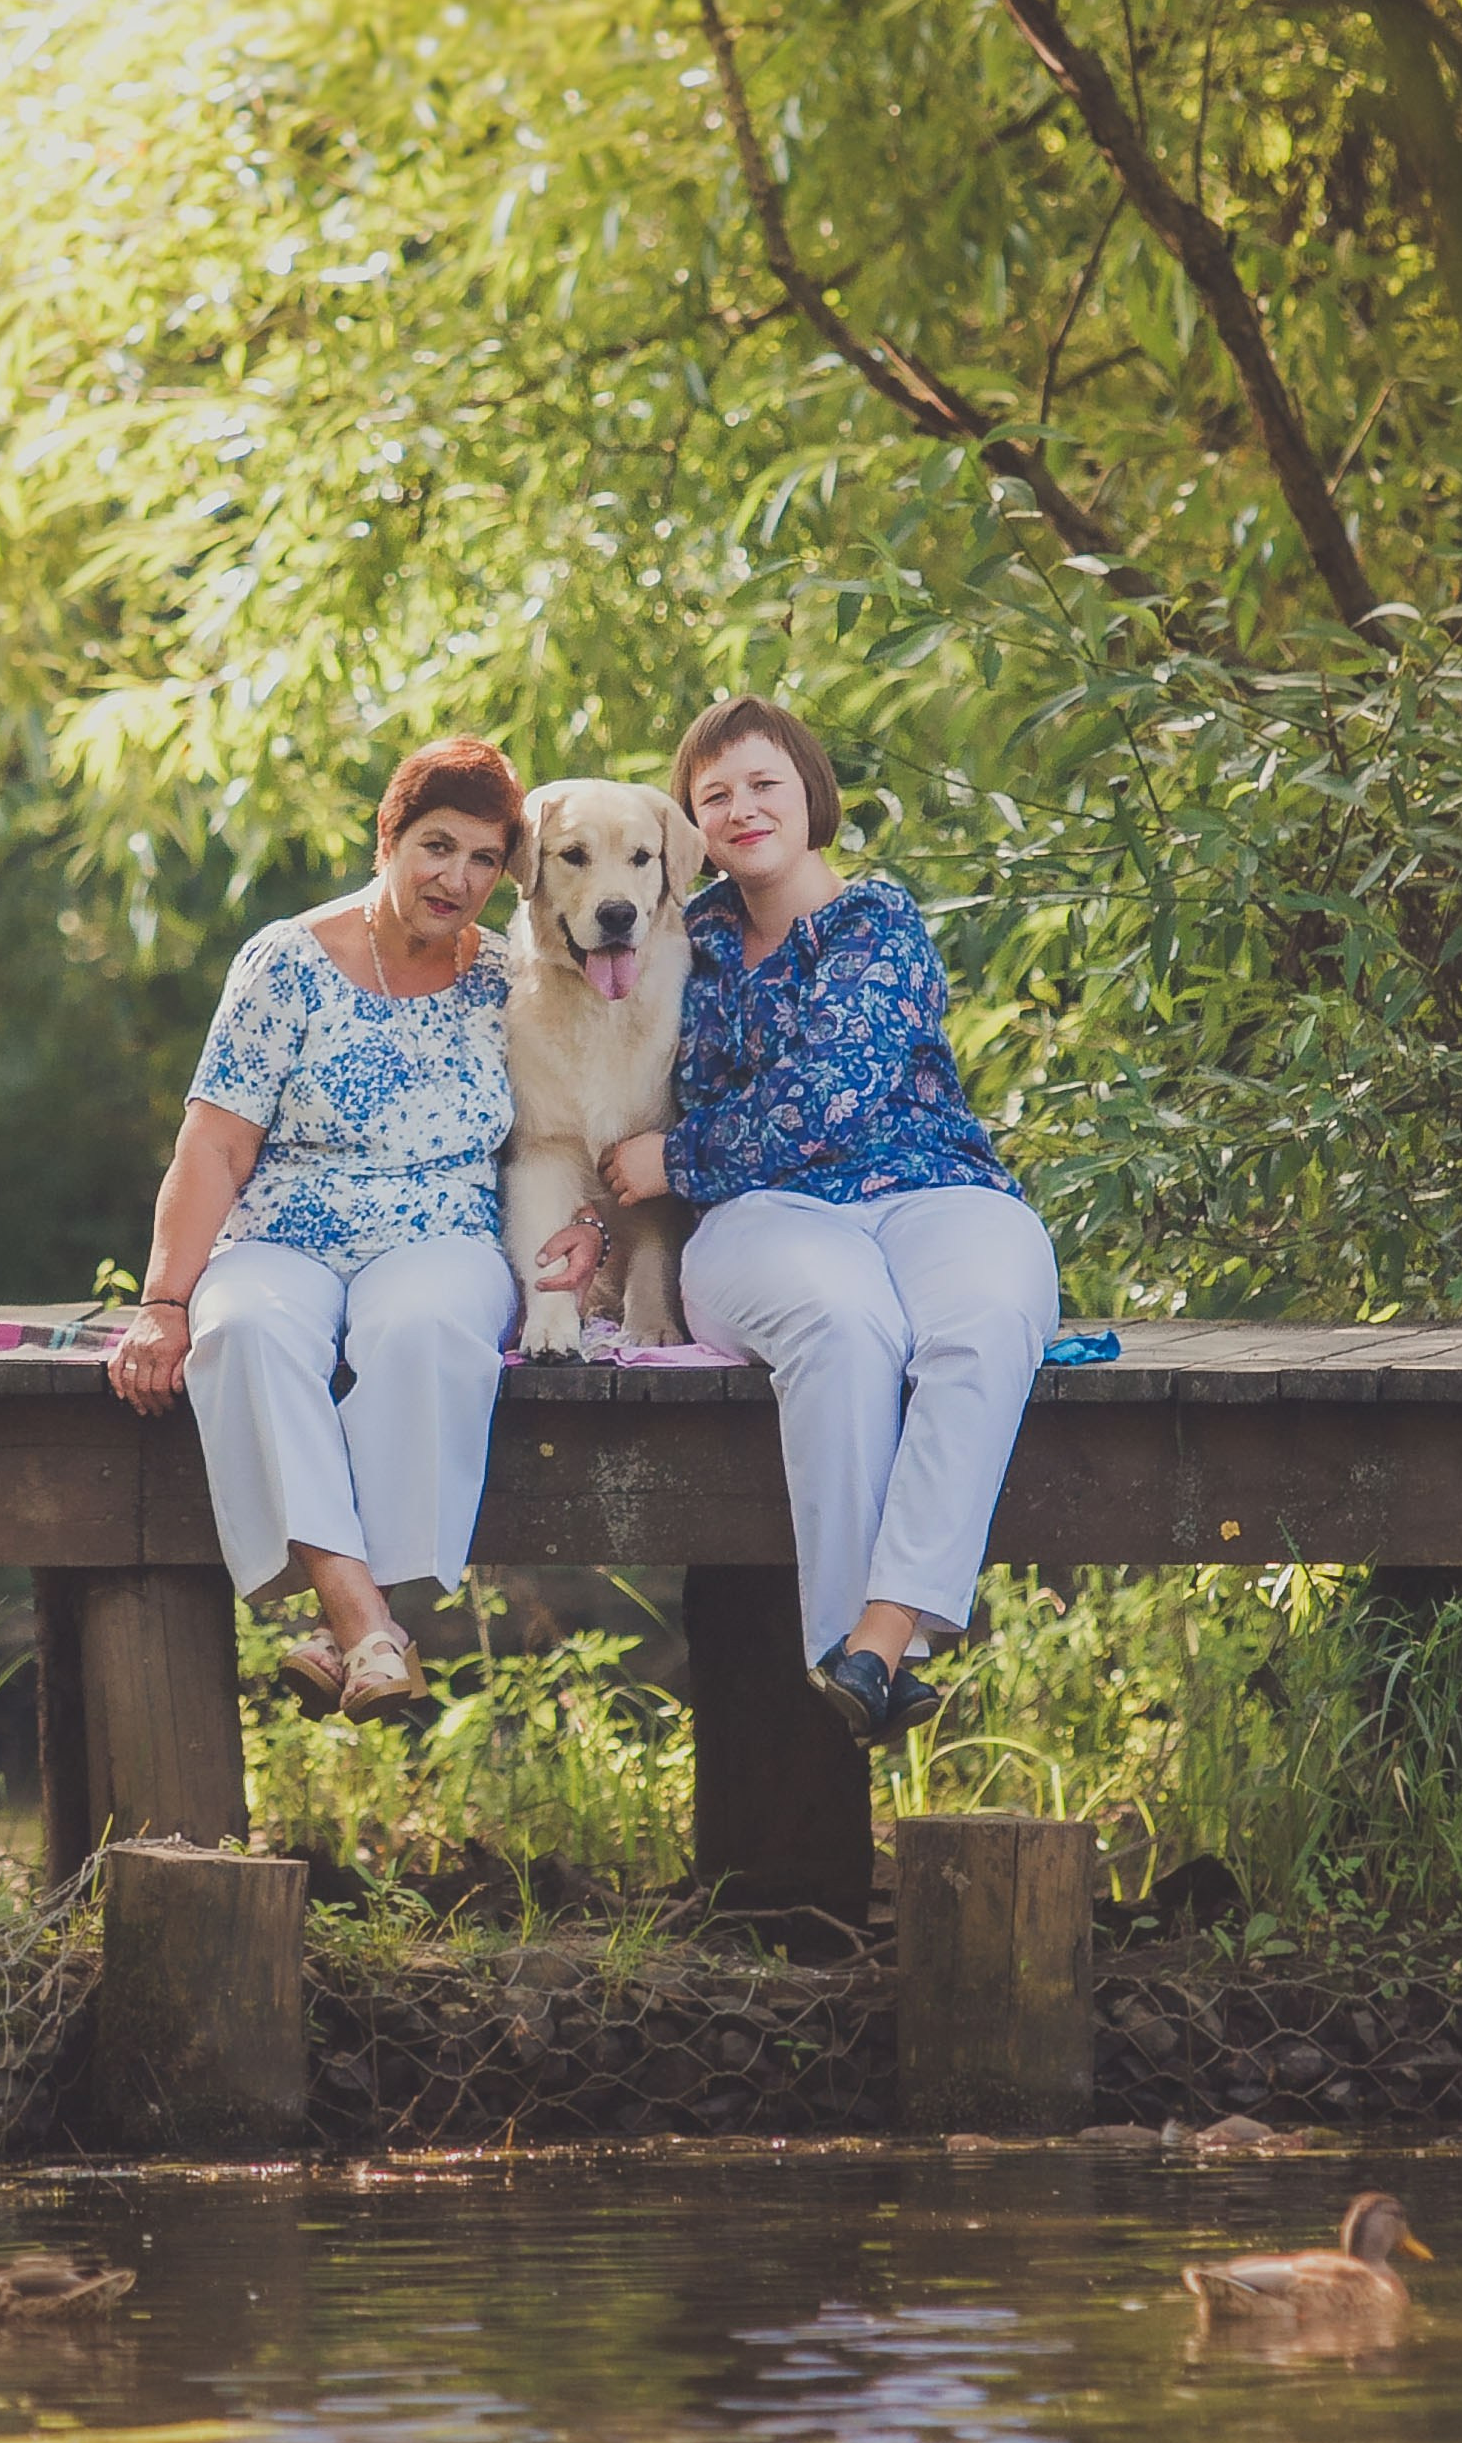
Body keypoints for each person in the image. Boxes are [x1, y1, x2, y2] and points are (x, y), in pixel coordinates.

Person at [601, 695, 1058, 1745]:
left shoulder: (876, 919)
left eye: (764, 783)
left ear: (811, 793)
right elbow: (600, 1068)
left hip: (933, 1188)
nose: (742, 807)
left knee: (985, 1321)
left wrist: (672, 1158)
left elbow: (831, 1088)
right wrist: (599, 1210)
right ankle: (857, 1653)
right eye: (713, 795)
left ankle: (873, 1642)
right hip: (765, 1220)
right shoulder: (681, 941)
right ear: (690, 831)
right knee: (844, 1326)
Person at [112, 738, 600, 1720]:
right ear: (388, 838)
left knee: (421, 1330)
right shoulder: (285, 963)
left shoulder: (512, 978)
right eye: (436, 846)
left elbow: (566, 1126)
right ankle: (367, 1623)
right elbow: (211, 1150)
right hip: (283, 1234)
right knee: (243, 1329)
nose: (456, 878)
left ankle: (350, 1624)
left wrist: (590, 1218)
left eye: (483, 860)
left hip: (444, 1236)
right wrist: (165, 1301)